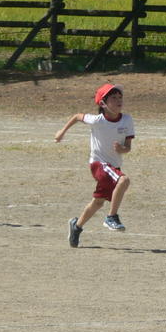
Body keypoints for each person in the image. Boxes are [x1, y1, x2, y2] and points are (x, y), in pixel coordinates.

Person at [55, 83, 135, 248]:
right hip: (98, 164)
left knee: (98, 202)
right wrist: (62, 132)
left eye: (120, 97)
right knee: (124, 180)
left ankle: (76, 226)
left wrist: (122, 149)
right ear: (103, 103)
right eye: (114, 98)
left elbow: (128, 147)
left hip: (114, 167)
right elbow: (77, 116)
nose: (119, 100)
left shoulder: (127, 120)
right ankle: (111, 217)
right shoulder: (97, 120)